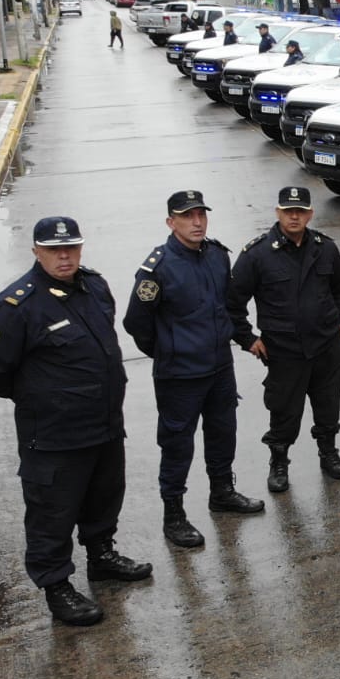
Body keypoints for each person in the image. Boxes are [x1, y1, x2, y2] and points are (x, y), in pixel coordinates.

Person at [0, 217, 152, 627]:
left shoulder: (94, 286)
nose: (64, 255)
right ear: (36, 251)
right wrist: (43, 397)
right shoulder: (14, 307)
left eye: (71, 247)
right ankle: (57, 587)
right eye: (54, 249)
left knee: (104, 496)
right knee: (52, 513)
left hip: (103, 424)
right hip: (53, 435)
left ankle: (102, 556)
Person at [122, 191, 264, 550]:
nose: (197, 222)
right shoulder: (157, 268)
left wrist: (243, 338)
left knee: (223, 433)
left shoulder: (217, 256)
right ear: (171, 222)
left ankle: (222, 492)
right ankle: (174, 514)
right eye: (188, 217)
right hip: (179, 376)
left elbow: (229, 307)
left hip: (218, 367)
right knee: (176, 445)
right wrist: (168, 351)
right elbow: (136, 323)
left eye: (201, 215)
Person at [226, 186, 340, 493]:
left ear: (310, 214)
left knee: (328, 406)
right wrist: (247, 339)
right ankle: (279, 462)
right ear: (278, 213)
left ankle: (329, 453)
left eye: (300, 211)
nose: (294, 216)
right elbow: (231, 303)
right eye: (288, 211)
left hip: (325, 348)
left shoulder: (325, 248)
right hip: (284, 352)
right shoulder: (257, 254)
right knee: (284, 411)